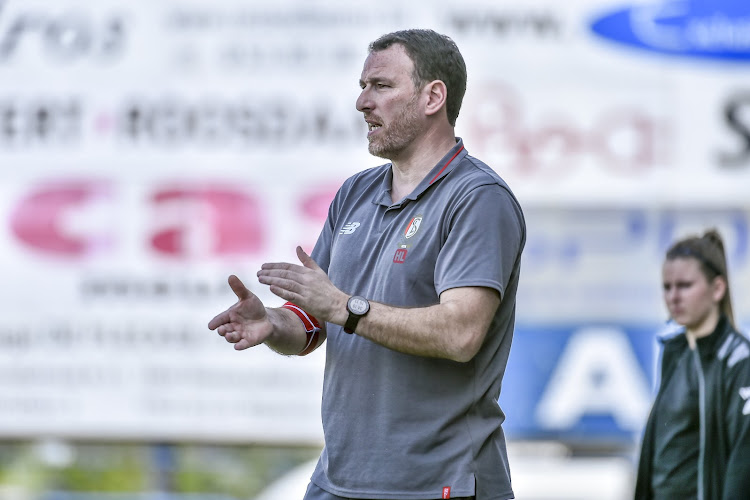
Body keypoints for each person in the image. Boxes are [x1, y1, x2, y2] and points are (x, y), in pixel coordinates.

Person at [208, 28, 525, 500]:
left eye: (381, 86)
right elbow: (314, 321)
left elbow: (461, 335)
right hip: (338, 482)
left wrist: (343, 308)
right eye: (363, 86)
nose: (362, 102)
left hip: (437, 484)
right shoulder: (355, 192)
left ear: (433, 96)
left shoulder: (477, 197)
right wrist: (274, 323)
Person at [634, 229, 750, 499]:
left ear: (717, 288)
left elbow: (743, 462)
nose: (673, 297)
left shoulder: (739, 361)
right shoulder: (674, 354)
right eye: (667, 287)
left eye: (685, 285)